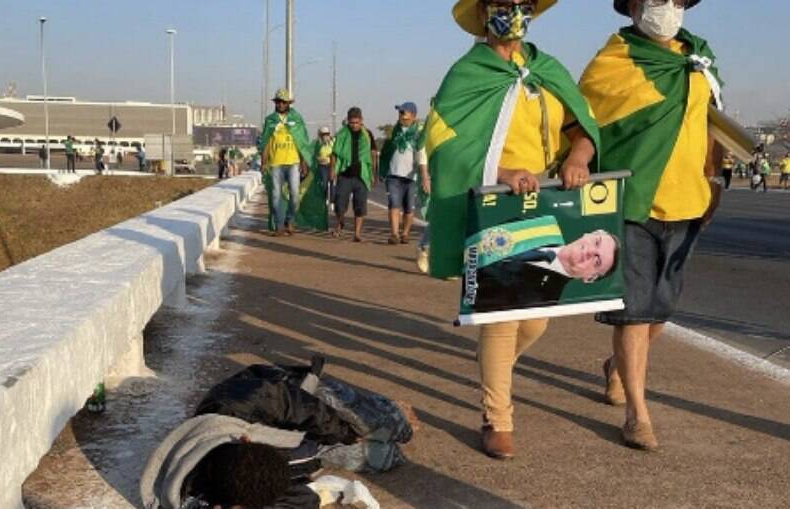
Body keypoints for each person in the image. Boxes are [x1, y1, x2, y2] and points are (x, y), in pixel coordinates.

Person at [425, 0, 599, 460]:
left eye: (522, 4)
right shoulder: (466, 74)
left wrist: (579, 157)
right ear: (483, 14)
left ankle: (492, 366)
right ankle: (497, 417)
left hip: (543, 201)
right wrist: (500, 170)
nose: (513, 12)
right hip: (492, 201)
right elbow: (443, 144)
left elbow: (583, 124)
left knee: (537, 318)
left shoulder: (547, 70)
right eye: (502, 4)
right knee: (502, 312)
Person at [580, 0, 725, 451]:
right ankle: (637, 414)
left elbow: (710, 126)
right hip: (633, 201)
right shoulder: (614, 61)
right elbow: (582, 121)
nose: (665, 7)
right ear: (633, 7)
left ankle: (616, 366)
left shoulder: (698, 59)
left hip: (689, 200)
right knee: (635, 312)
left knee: (659, 312)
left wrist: (715, 182)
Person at [140, 357, 415, 509]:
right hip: (312, 450)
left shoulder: (233, 404)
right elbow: (303, 499)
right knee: (386, 458)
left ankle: (395, 411)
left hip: (307, 401)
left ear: (247, 440)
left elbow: (294, 404)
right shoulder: (219, 492)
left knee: (393, 426)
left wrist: (342, 432)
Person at [467, 216, 619, 311]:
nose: (590, 251)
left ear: (589, 278)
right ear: (589, 234)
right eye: (596, 242)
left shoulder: (545, 300)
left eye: (597, 260)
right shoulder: (544, 225)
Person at [259, 88, 314, 236]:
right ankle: (278, 226)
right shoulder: (270, 120)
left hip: (293, 162)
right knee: (276, 196)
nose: (280, 104)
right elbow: (265, 142)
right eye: (278, 101)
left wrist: (304, 162)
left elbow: (302, 142)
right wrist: (263, 162)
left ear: (289, 103)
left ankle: (289, 220)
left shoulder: (297, 119)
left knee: (295, 195)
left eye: (283, 102)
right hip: (276, 163)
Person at [380, 102, 427, 245]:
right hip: (393, 175)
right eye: (399, 113)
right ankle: (394, 234)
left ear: (413, 115)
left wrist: (425, 176)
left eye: (403, 113)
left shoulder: (419, 134)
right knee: (394, 204)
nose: (400, 116)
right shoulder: (396, 131)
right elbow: (387, 151)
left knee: (408, 208)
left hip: (411, 177)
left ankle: (405, 233)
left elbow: (422, 154)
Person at [331, 107, 379, 242]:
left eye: (357, 122)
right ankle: (340, 222)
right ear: (348, 121)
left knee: (360, 205)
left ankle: (357, 234)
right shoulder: (341, 134)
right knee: (339, 205)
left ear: (362, 121)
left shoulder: (367, 135)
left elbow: (373, 155)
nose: (354, 125)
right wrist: (332, 170)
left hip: (362, 176)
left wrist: (374, 174)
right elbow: (334, 153)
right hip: (344, 175)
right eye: (352, 122)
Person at [314, 127, 336, 204]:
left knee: (332, 183)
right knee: (324, 182)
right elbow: (314, 155)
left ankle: (332, 200)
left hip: (332, 166)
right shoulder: (317, 143)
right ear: (320, 135)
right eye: (323, 134)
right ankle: (325, 197)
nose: (325, 136)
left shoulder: (333, 142)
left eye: (327, 134)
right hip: (322, 166)